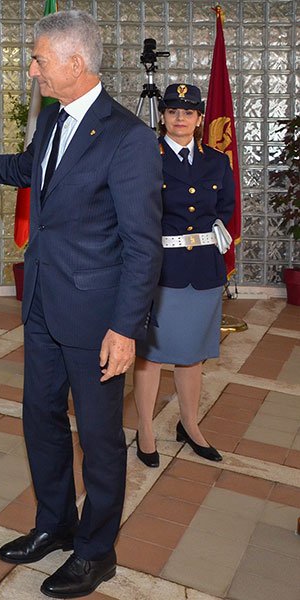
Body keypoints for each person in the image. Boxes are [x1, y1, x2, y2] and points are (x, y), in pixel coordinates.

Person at [0, 10, 163, 598]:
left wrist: (125, 330)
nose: (32, 69)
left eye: (40, 59)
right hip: (44, 301)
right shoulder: (51, 118)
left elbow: (143, 246)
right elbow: (25, 171)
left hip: (96, 317)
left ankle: (97, 552)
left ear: (76, 62)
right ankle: (54, 524)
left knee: (98, 439)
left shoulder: (128, 136)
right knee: (40, 418)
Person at [132, 83, 235, 468]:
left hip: (203, 271)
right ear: (163, 117)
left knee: (193, 356)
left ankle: (190, 425)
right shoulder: (146, 157)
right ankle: (144, 428)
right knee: (151, 355)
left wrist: (217, 230)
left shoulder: (216, 161)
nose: (180, 118)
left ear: (199, 118)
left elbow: (225, 207)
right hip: (160, 271)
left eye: (188, 112)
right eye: (173, 111)